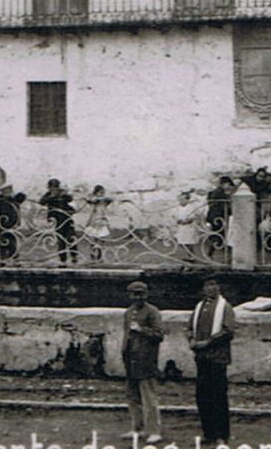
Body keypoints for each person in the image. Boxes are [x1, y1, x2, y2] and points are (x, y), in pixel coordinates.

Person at [188, 276, 236, 445]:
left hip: (217, 358)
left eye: (214, 284)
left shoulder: (225, 307)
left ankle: (222, 434)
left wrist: (207, 343)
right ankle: (208, 432)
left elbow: (228, 331)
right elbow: (189, 327)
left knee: (218, 396)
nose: (210, 288)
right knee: (202, 395)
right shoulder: (200, 307)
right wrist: (191, 341)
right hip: (201, 358)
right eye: (207, 285)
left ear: (219, 287)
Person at [121, 281, 165, 443]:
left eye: (141, 294)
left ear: (146, 295)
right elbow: (126, 335)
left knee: (149, 397)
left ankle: (154, 431)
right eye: (134, 294)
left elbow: (159, 334)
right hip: (130, 360)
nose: (138, 297)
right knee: (133, 397)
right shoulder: (128, 312)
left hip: (146, 359)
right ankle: (137, 428)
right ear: (130, 295)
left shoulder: (152, 312)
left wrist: (141, 329)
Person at [39, 179, 79, 265]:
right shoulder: (48, 195)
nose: (54, 189)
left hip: (67, 219)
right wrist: (52, 196)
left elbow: (70, 199)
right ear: (49, 188)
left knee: (71, 237)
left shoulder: (63, 194)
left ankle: (74, 256)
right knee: (61, 240)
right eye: (52, 187)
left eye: (56, 187)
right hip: (57, 220)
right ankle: (63, 260)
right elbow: (41, 202)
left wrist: (63, 194)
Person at [81, 185, 113, 262]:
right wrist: (94, 197)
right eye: (100, 192)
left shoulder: (104, 201)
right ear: (96, 193)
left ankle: (99, 256)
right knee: (93, 239)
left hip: (102, 221)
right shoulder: (94, 200)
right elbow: (89, 199)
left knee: (101, 239)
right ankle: (92, 255)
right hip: (94, 221)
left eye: (103, 192)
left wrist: (101, 198)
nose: (102, 194)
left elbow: (110, 199)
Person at [173, 190, 203, 259]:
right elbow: (175, 215)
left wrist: (186, 221)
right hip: (181, 227)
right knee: (181, 242)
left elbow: (192, 217)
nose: (181, 201)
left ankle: (191, 256)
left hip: (189, 227)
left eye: (183, 199)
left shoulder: (190, 207)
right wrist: (177, 220)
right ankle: (189, 254)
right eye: (180, 199)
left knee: (189, 242)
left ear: (187, 200)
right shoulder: (178, 207)